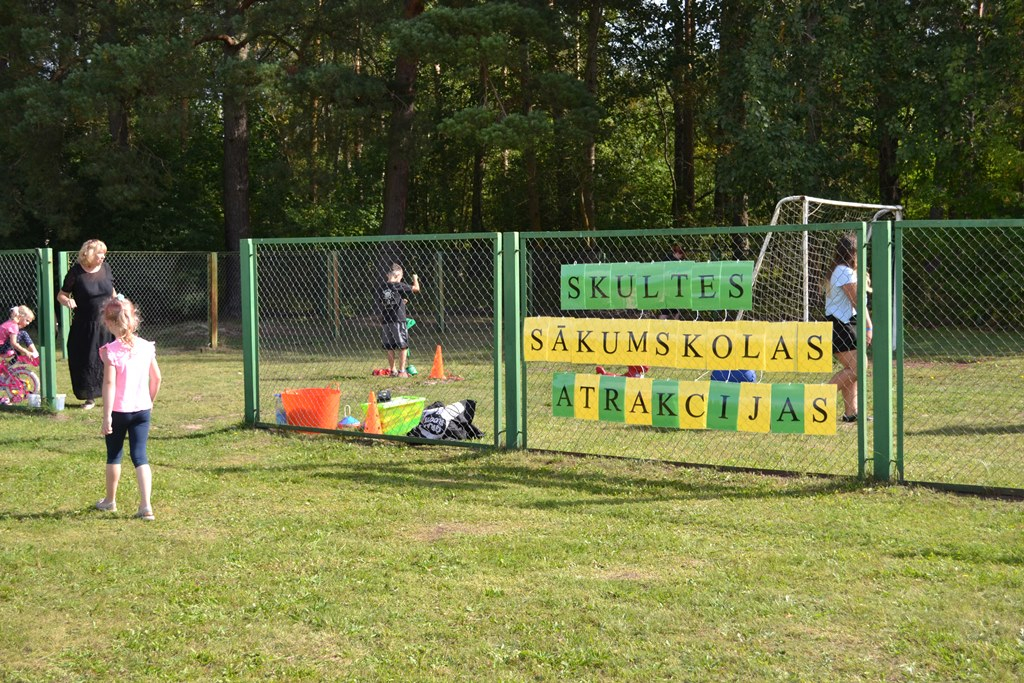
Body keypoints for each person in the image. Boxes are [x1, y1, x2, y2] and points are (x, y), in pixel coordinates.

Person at [94, 297, 161, 521]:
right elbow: (157, 378)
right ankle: (146, 506)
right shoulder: (146, 347)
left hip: (118, 411)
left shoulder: (110, 351)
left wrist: (106, 417)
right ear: (134, 320)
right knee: (140, 456)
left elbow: (109, 384)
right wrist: (149, 401)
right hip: (142, 410)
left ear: (109, 324)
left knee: (114, 455)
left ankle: (110, 501)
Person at [57, 239, 116, 409]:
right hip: (85, 325)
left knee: (109, 359)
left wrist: (118, 303)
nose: (103, 257)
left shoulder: (106, 268)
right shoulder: (76, 272)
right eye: (100, 253)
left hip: (107, 323)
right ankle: (90, 397)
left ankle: (111, 395)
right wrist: (67, 301)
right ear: (89, 253)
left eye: (104, 254)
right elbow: (61, 294)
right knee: (87, 360)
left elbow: (111, 290)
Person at [823, 233, 873, 422]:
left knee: (853, 367)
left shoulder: (842, 270)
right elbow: (857, 301)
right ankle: (817, 399)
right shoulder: (844, 271)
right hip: (840, 325)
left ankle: (852, 413)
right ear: (853, 251)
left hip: (846, 323)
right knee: (858, 367)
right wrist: (868, 326)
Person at [380, 263, 420, 377]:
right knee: (403, 346)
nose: (401, 279)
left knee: (390, 346)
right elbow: (416, 289)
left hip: (386, 320)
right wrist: (415, 279)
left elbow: (385, 301)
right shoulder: (397, 285)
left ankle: (393, 371)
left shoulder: (382, 287)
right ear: (397, 275)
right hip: (398, 320)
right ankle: (402, 371)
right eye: (401, 276)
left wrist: (401, 302)